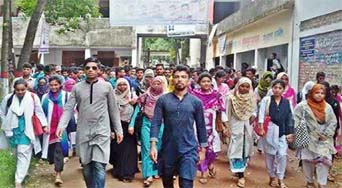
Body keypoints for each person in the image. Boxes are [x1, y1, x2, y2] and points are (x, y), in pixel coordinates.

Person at [56, 57, 123, 188]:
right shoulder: (77, 88)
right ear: (84, 70)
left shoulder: (107, 86)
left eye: (94, 68)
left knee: (99, 165)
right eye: (87, 68)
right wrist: (61, 125)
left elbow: (113, 110)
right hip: (84, 131)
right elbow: (69, 108)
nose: (90, 70)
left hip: (102, 131)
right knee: (87, 168)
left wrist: (118, 130)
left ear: (99, 70)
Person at [150, 65, 208, 188]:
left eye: (183, 77)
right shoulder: (163, 100)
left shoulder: (195, 102)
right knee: (167, 182)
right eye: (176, 77)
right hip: (168, 148)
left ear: (189, 80)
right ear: (172, 79)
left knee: (186, 183)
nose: (180, 80)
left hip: (188, 149)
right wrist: (153, 145)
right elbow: (156, 122)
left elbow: (201, 126)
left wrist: (203, 150)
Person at [1, 79, 48, 188]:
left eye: (23, 89)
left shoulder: (32, 97)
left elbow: (39, 111)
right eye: (18, 90)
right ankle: (23, 172)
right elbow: (2, 112)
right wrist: (6, 125)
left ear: (26, 88)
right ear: (14, 89)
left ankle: (18, 181)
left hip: (27, 129)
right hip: (13, 131)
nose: (20, 92)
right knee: (17, 153)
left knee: (23, 153)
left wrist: (44, 125)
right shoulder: (9, 98)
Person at [294, 84, 337, 188]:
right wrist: (300, 131)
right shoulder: (302, 106)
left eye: (322, 93)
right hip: (308, 138)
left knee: (323, 161)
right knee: (308, 161)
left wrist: (327, 134)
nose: (319, 95)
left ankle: (322, 183)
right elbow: (296, 119)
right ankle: (309, 182)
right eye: (317, 93)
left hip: (324, 140)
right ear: (311, 93)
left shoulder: (328, 107)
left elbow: (333, 121)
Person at [129, 76, 165, 187]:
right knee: (146, 148)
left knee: (158, 147)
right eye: (155, 83)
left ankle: (156, 170)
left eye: (159, 83)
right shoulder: (144, 96)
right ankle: (148, 174)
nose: (156, 85)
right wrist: (131, 124)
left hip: (161, 125)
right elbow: (137, 110)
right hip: (146, 124)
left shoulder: (166, 97)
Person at [190, 73, 225, 184]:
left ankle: (210, 164)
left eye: (208, 81)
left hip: (211, 127)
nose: (206, 83)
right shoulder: (193, 94)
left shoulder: (216, 95)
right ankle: (203, 172)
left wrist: (223, 126)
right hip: (197, 127)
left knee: (211, 149)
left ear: (211, 82)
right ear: (199, 83)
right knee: (200, 149)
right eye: (203, 81)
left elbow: (220, 111)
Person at [258, 79, 294, 188]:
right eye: (275, 87)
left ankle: (281, 178)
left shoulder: (287, 102)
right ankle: (272, 177)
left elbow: (289, 117)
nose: (277, 90)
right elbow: (261, 113)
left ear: (283, 89)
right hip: (269, 130)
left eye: (280, 88)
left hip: (282, 131)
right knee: (270, 155)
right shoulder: (267, 100)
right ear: (272, 88)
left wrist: (290, 132)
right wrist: (261, 127)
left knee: (282, 155)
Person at [224, 77, 257, 188]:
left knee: (245, 150)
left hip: (247, 128)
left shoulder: (252, 97)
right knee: (236, 150)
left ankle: (239, 171)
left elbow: (254, 111)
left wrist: (252, 117)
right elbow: (227, 113)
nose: (244, 88)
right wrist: (227, 127)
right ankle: (241, 175)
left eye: (247, 86)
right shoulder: (231, 98)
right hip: (235, 127)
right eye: (242, 86)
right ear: (238, 86)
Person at [41, 76, 71, 185]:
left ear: (60, 85)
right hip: (49, 128)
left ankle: (58, 174)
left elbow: (71, 110)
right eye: (51, 85)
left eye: (56, 85)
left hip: (61, 127)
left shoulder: (66, 95)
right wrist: (44, 125)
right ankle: (56, 166)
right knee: (52, 150)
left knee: (59, 149)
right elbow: (41, 112)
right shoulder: (45, 97)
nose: (53, 87)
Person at [110, 78, 138, 183]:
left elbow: (137, 112)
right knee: (118, 150)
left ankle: (127, 173)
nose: (122, 87)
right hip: (117, 126)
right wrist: (112, 129)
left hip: (129, 127)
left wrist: (132, 125)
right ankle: (118, 170)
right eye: (120, 85)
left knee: (129, 151)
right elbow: (110, 113)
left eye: (124, 85)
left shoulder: (133, 97)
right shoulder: (112, 96)